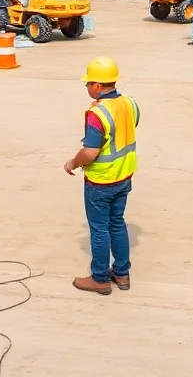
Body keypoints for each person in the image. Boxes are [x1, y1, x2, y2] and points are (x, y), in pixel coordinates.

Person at [64, 57, 139, 296]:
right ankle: (122, 273)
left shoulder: (97, 113)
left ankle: (100, 279)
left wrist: (73, 163)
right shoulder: (129, 103)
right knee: (117, 223)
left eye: (88, 83)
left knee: (99, 229)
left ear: (97, 86)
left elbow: (90, 152)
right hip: (124, 176)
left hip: (101, 181)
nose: (87, 87)